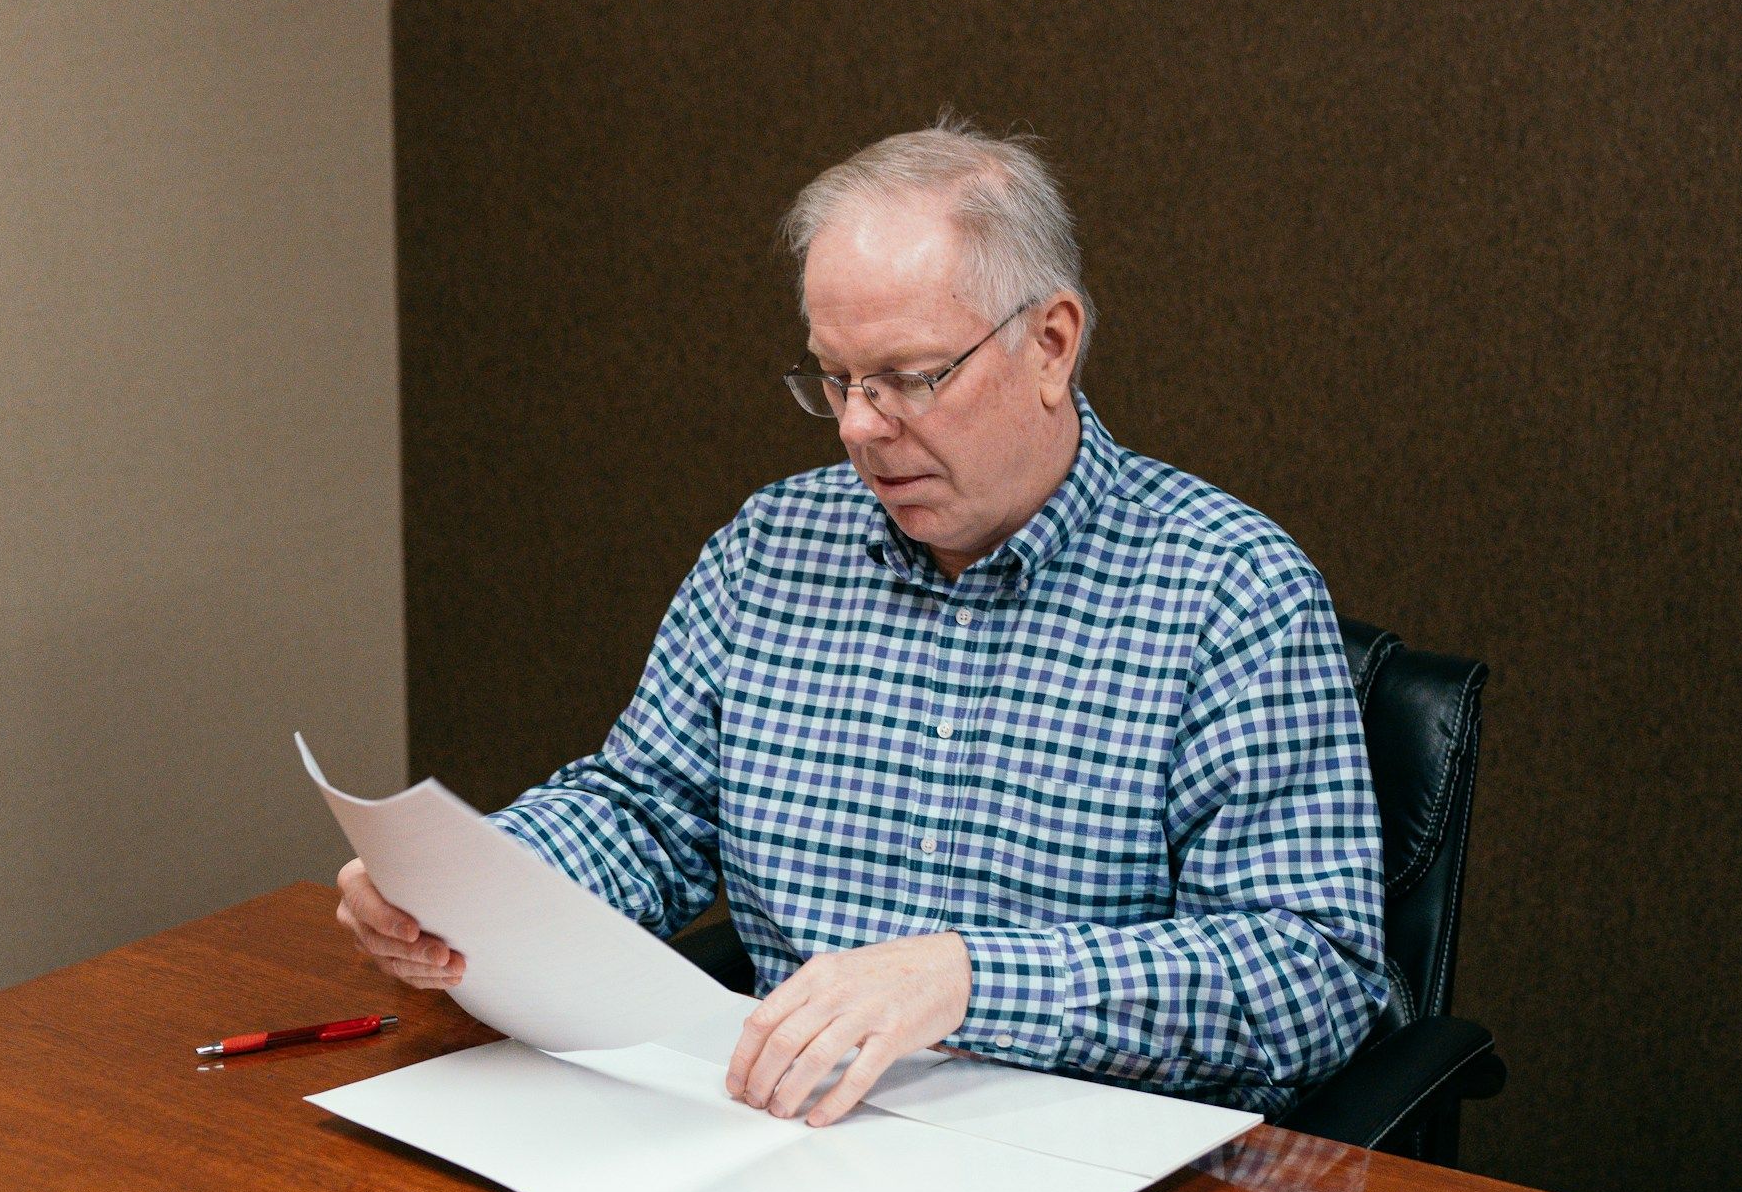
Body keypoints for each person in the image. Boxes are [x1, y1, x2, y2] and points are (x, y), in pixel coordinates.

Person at [337, 115, 1390, 1129]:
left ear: (1052, 344)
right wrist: (467, 886)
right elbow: (646, 813)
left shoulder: (1229, 591)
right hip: (782, 1135)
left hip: (1081, 1171)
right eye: (834, 378)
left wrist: (971, 980)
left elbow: (1313, 975)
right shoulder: (773, 548)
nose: (858, 428)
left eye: (910, 378)